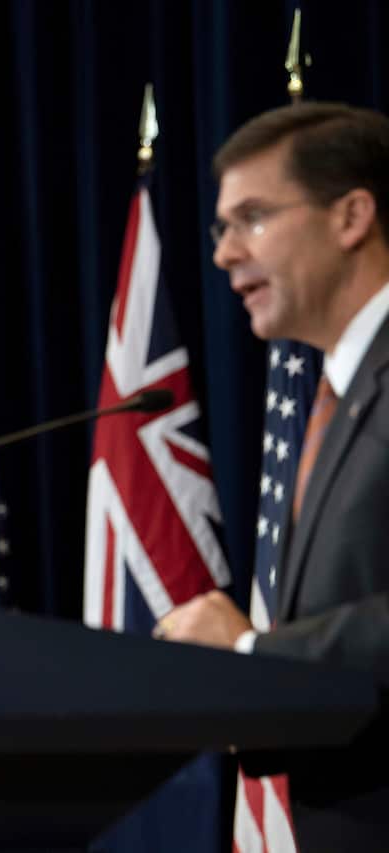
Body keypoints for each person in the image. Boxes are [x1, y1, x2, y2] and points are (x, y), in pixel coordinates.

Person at [157, 102, 389, 849]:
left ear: (351, 216)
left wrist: (252, 655)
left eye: (252, 218)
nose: (226, 254)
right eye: (221, 229)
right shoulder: (342, 396)